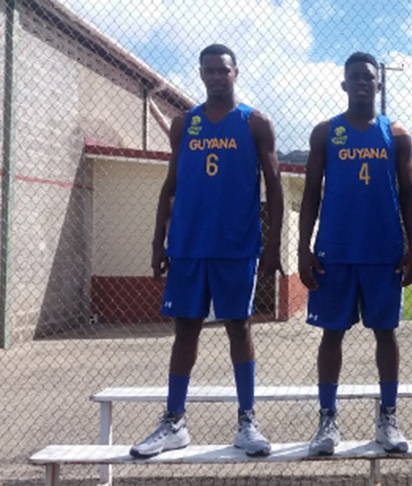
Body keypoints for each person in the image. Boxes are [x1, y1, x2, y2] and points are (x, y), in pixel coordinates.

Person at [130, 44, 284, 458]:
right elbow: (170, 186)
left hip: (236, 247)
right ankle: (174, 422)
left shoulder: (255, 123)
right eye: (209, 71)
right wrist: (157, 242)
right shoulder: (185, 124)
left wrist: (273, 246)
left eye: (223, 70)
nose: (216, 76)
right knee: (185, 330)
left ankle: (247, 421)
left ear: (236, 73)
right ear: (200, 74)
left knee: (239, 327)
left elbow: (274, 185)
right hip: (187, 246)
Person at [298, 51, 412, 456]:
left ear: (379, 84)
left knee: (386, 333)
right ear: (344, 84)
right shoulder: (325, 133)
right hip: (335, 250)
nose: (363, 82)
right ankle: (327, 421)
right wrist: (304, 247)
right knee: (332, 334)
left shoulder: (395, 133)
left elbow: (408, 195)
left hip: (383, 251)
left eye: (369, 77)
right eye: (355, 77)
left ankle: (387, 418)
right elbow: (312, 192)